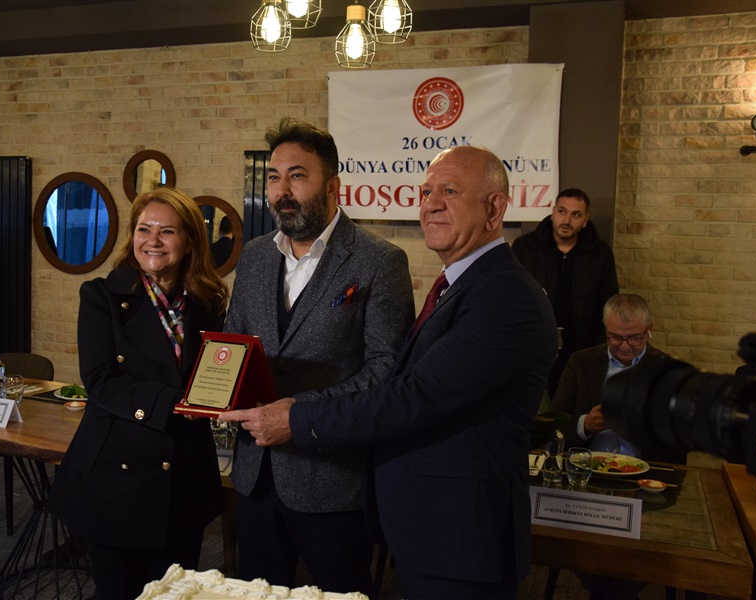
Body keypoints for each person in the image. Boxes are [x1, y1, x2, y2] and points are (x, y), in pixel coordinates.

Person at [222, 145, 558, 600]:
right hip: (431, 529)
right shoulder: (461, 286)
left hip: (459, 533)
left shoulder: (504, 296)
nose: (431, 205)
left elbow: (413, 395)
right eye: (426, 192)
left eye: (450, 191)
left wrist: (295, 419)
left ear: (495, 208)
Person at [223, 117, 414, 595]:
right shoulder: (254, 256)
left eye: (297, 176)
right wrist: (215, 391)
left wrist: (298, 415)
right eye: (274, 177)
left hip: (332, 482)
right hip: (255, 474)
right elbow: (233, 345)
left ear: (332, 186)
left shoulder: (379, 260)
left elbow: (385, 371)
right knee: (255, 594)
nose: (282, 191)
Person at [48, 188, 229, 600]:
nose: (153, 241)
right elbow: (101, 381)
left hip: (184, 475)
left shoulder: (208, 301)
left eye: (167, 231)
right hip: (117, 480)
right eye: (144, 229)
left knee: (175, 592)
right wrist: (176, 403)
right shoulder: (102, 296)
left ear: (189, 242)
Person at [551, 293, 682, 463]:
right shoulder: (581, 363)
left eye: (634, 338)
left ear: (649, 329)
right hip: (587, 468)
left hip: (647, 470)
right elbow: (553, 424)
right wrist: (585, 425)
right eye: (616, 337)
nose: (625, 346)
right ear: (605, 328)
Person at [511, 188, 619, 396]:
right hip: (534, 346)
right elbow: (512, 298)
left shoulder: (600, 253)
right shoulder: (526, 247)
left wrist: (598, 348)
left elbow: (608, 303)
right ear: (553, 213)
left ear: (585, 220)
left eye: (576, 214)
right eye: (562, 211)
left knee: (572, 404)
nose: (567, 220)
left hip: (580, 346)